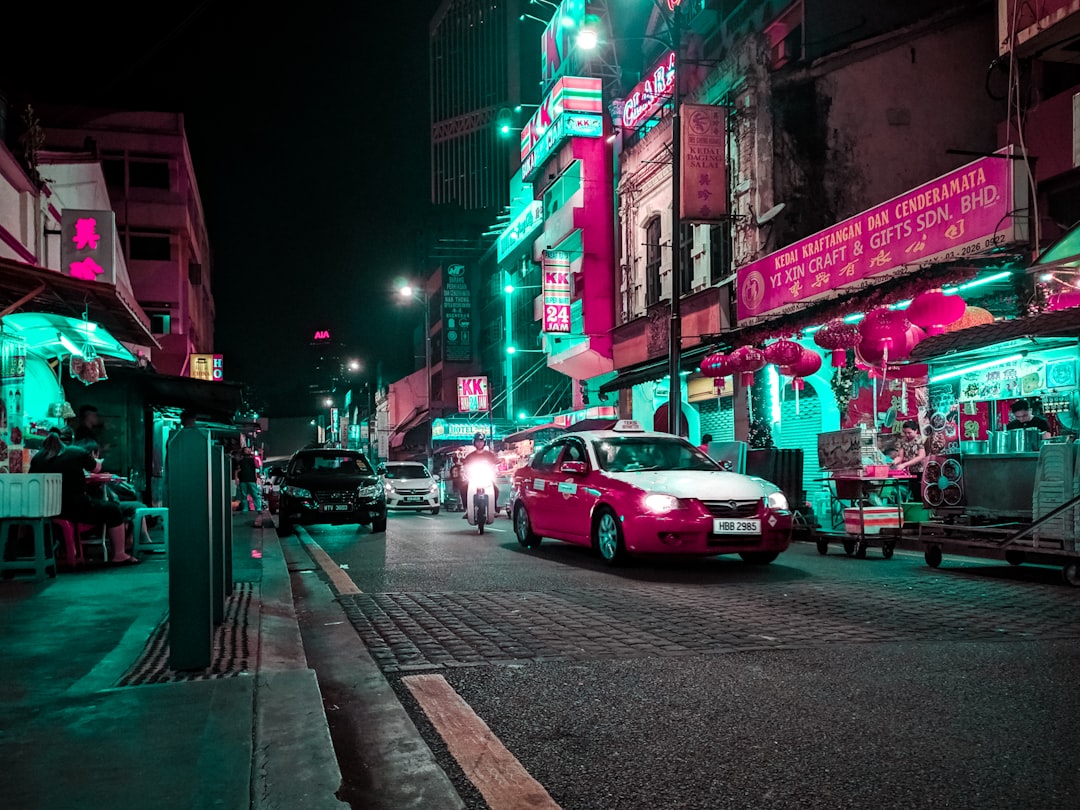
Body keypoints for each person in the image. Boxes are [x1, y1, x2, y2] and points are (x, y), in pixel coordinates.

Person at [34, 437, 138, 565]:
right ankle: (119, 554)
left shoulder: (37, 458)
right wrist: (98, 461)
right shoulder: (76, 452)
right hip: (77, 507)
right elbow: (96, 468)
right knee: (113, 510)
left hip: (47, 510)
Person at [462, 433, 500, 518]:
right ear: (474, 443)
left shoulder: (490, 455)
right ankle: (467, 509)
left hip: (486, 478)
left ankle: (493, 508)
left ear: (484, 442)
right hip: (474, 479)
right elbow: (465, 466)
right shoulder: (470, 456)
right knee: (463, 488)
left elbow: (495, 464)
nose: (479, 443)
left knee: (496, 490)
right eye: (477, 441)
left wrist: (495, 469)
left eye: (481, 441)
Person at [234, 446, 262, 526]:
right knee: (244, 495)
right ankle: (245, 509)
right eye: (246, 450)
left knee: (254, 494)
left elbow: (257, 466)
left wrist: (255, 457)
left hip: (251, 479)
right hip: (243, 479)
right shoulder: (240, 460)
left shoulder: (252, 459)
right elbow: (237, 470)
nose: (247, 451)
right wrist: (237, 478)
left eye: (248, 450)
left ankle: (258, 508)